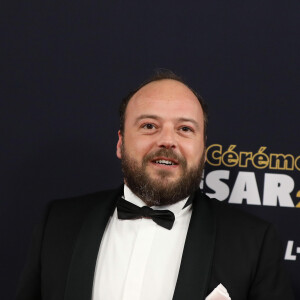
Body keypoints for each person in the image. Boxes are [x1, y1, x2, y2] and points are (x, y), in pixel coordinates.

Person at [16, 70, 294, 300]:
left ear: (204, 149)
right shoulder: (59, 223)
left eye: (185, 129)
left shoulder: (253, 243)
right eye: (149, 125)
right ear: (121, 143)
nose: (167, 140)